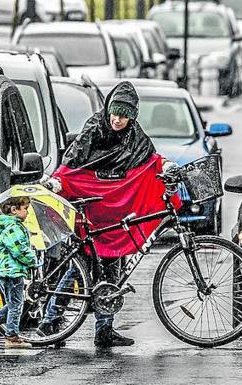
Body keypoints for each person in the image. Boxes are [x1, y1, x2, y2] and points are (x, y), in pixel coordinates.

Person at [40, 81, 178, 348]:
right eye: (115, 113)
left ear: (133, 116)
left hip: (115, 212)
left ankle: (104, 330)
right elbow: (72, 165)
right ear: (108, 109)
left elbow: (151, 161)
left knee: (112, 270)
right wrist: (58, 183)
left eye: (124, 115)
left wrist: (168, 165)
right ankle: (51, 321)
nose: (118, 119)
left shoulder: (135, 136)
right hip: (91, 209)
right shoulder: (93, 129)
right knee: (80, 269)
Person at [0, 196, 37, 349]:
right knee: (16, 304)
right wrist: (33, 260)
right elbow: (19, 250)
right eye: (25, 209)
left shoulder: (0, 226)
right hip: (12, 270)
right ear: (14, 210)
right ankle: (11, 336)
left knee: (14, 303)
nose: (27, 213)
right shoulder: (13, 227)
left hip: (1, 270)